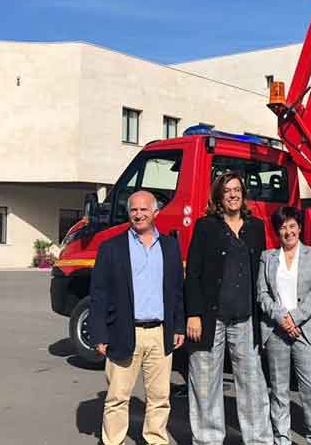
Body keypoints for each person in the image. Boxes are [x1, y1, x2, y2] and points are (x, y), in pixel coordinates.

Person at [89, 190, 186, 445]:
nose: (138, 214)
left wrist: (178, 325)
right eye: (134, 210)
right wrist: (99, 333)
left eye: (144, 209)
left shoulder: (170, 246)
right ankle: (113, 441)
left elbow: (176, 290)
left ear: (155, 213)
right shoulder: (112, 248)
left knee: (159, 397)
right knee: (118, 396)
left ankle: (155, 440)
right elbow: (99, 294)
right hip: (123, 331)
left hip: (159, 333)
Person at [184, 171, 273, 445]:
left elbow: (263, 271)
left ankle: (258, 439)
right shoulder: (206, 226)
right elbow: (194, 273)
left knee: (252, 383)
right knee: (205, 381)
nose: (233, 195)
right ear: (218, 197)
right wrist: (194, 314)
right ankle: (208, 439)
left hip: (245, 318)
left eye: (237, 190)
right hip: (211, 318)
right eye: (227, 191)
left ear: (243, 194)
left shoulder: (255, 227)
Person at [257, 206, 311, 445]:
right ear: (277, 231)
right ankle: (281, 438)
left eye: (292, 226)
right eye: (283, 227)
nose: (288, 231)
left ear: (299, 228)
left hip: (304, 332)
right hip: (276, 332)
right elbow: (262, 294)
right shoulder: (267, 257)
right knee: (279, 390)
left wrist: (294, 319)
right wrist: (282, 318)